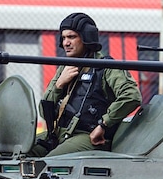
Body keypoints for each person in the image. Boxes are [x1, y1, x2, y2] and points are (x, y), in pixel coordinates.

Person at [28, 12, 142, 157]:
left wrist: (103, 124)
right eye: (63, 38)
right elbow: (45, 112)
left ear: (86, 38)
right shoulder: (65, 68)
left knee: (52, 162)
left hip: (89, 135)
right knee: (21, 153)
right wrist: (59, 86)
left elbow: (131, 96)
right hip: (59, 134)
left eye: (71, 37)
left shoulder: (105, 67)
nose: (65, 43)